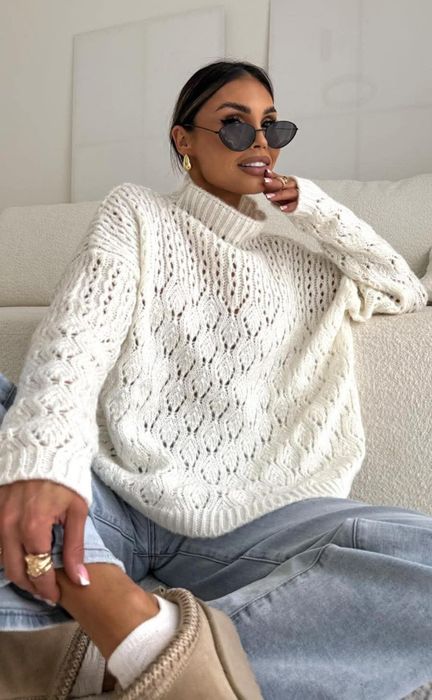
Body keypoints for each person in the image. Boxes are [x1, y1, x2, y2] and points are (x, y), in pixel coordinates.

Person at [0, 58, 431, 699]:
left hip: (253, 522)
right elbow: (77, 339)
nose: (258, 142)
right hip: (107, 495)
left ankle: (118, 654)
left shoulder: (301, 264)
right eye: (234, 124)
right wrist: (41, 464)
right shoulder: (138, 214)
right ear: (185, 139)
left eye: (272, 127)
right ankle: (126, 633)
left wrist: (313, 207)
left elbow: (402, 289)